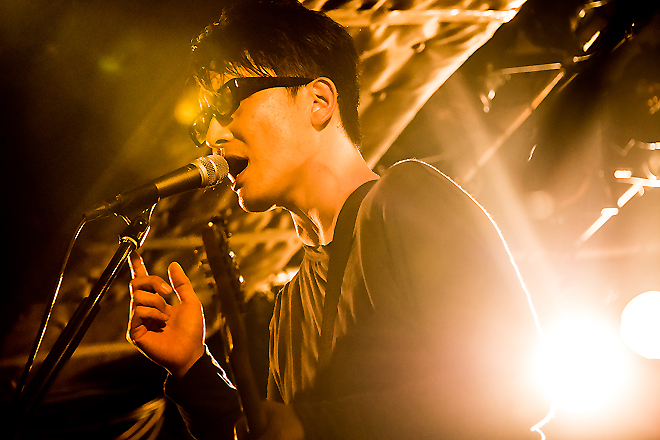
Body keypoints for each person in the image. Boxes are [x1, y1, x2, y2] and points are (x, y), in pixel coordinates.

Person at [126, 1, 549, 439]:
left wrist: (311, 425)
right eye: (204, 121)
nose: (213, 136)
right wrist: (193, 367)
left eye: (226, 100)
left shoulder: (406, 198)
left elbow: (514, 389)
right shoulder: (288, 311)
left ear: (319, 101)